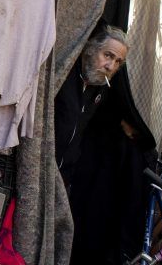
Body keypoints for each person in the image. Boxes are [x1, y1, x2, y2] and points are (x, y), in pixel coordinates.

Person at [54, 25, 128, 191]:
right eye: (108, 55)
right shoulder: (64, 74)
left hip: (64, 176)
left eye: (118, 62)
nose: (110, 66)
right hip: (40, 168)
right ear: (90, 49)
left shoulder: (100, 88)